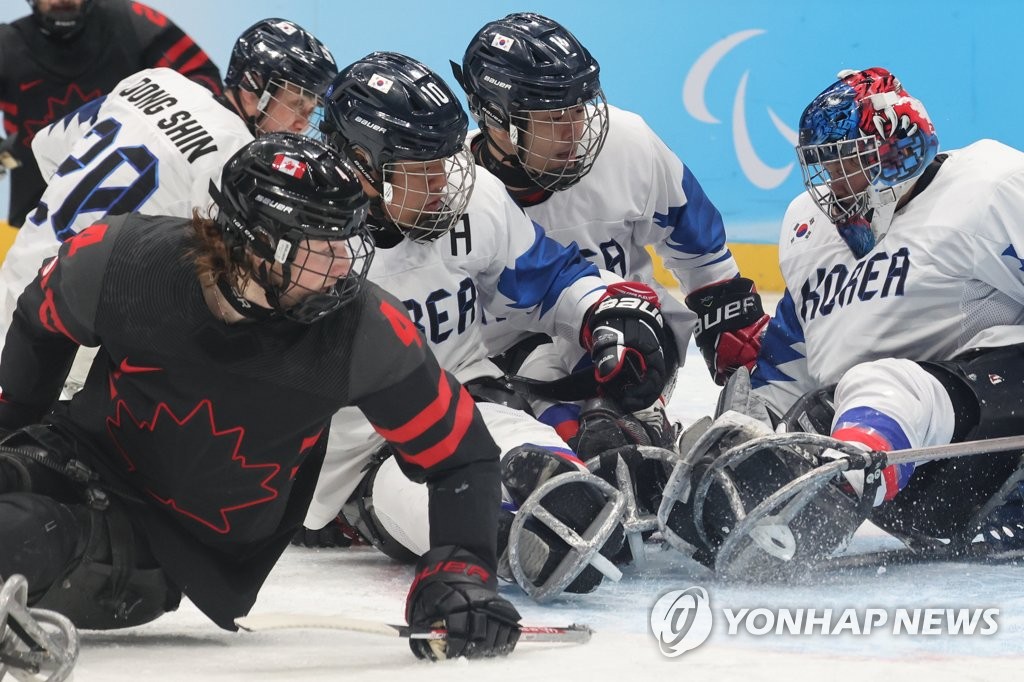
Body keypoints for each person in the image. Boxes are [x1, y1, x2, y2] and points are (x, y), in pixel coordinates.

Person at [0, 133, 520, 664]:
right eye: (323, 244)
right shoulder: (121, 261)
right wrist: (10, 430)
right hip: (76, 457)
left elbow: (463, 456)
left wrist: (461, 570)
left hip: (173, 547)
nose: (343, 265)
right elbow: (40, 321)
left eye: (348, 240)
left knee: (18, 531)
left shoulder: (364, 331)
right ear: (258, 243)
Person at [302, 51, 676, 598]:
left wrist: (604, 310)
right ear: (359, 164)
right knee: (509, 535)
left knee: (576, 502)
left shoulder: (472, 197)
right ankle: (361, 513)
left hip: (468, 405)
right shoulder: (309, 244)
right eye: (420, 171)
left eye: (445, 162)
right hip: (368, 450)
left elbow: (551, 277)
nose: (443, 186)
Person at [660, 67, 1024, 574]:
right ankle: (816, 491)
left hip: (998, 430)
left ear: (896, 150)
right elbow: (790, 361)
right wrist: (742, 436)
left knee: (881, 381)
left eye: (844, 163)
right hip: (918, 473)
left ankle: (826, 503)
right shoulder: (810, 230)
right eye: (822, 167)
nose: (831, 184)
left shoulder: (994, 187)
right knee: (813, 414)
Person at [451, 12, 770, 452]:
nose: (577, 129)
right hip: (508, 363)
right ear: (496, 119)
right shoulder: (450, 196)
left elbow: (698, 245)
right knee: (555, 441)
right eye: (553, 116)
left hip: (628, 340)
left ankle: (630, 428)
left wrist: (729, 318)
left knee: (614, 431)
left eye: (579, 108)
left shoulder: (626, 144)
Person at [0, 17, 338, 376]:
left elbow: (47, 146)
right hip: (65, 340)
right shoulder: (238, 163)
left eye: (311, 106)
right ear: (254, 90)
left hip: (16, 277)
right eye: (297, 102)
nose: (304, 121)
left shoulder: (154, 80)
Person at [0, 0, 222, 228]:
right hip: (35, 222)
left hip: (135, 224)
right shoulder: (7, 44)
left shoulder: (129, 20)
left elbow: (204, 78)